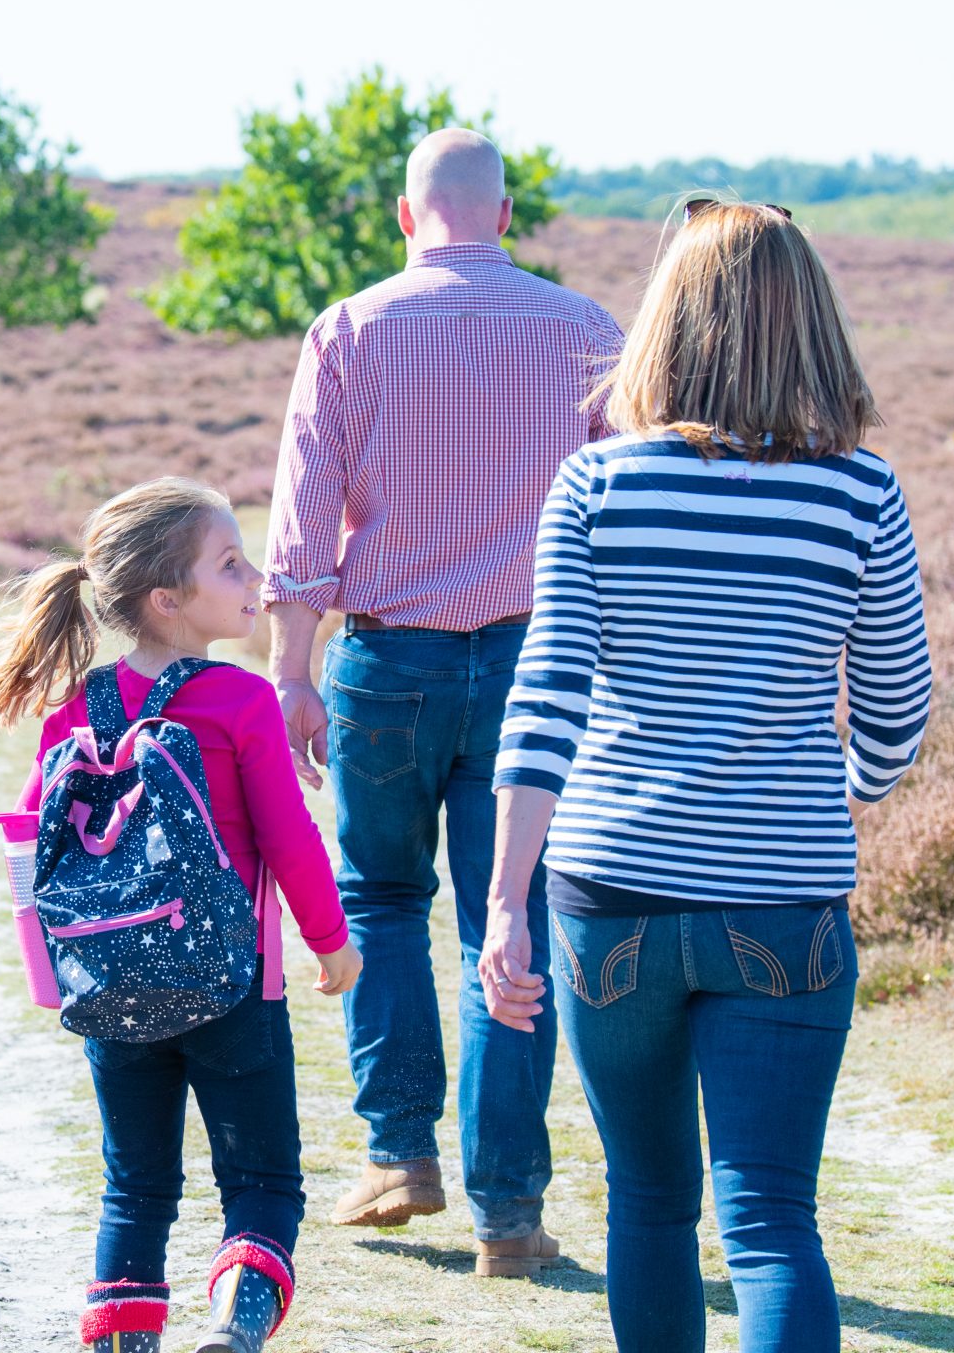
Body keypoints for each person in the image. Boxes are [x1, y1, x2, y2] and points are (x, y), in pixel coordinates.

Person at [481, 198, 932, 1352]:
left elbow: (543, 706)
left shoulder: (595, 488)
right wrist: (831, 791)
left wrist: (502, 904)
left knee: (648, 1203)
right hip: (783, 898)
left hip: (607, 890)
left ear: (665, 324)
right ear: (812, 325)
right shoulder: (859, 494)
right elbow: (895, 720)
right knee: (773, 1220)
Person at [262, 127, 624, 1273]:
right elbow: (621, 507)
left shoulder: (351, 330)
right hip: (538, 664)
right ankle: (507, 1213)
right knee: (507, 923)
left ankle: (396, 1154)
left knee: (377, 900)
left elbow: (303, 515)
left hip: (387, 664)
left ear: (406, 218)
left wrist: (289, 670)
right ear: (506, 218)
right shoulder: (584, 333)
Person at [0, 477, 362, 1353]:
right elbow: (291, 838)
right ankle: (235, 1328)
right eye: (230, 564)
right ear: (168, 600)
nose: (254, 577)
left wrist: (57, 971)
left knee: (136, 1190)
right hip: (233, 990)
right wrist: (331, 940)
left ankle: (123, 1341)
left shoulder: (76, 709)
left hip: (111, 991)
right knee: (264, 1182)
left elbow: (30, 848)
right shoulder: (237, 700)